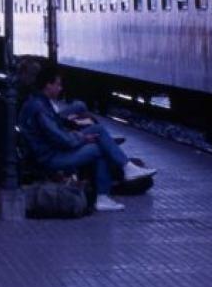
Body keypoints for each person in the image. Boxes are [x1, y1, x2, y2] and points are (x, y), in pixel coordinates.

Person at [18, 65, 152, 211]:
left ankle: (125, 168)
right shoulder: (40, 108)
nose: (60, 88)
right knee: (99, 149)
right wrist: (83, 138)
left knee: (98, 130)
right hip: (50, 157)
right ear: (48, 85)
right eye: (58, 84)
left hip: (49, 151)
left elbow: (55, 128)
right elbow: (64, 140)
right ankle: (104, 194)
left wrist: (76, 129)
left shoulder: (39, 101)